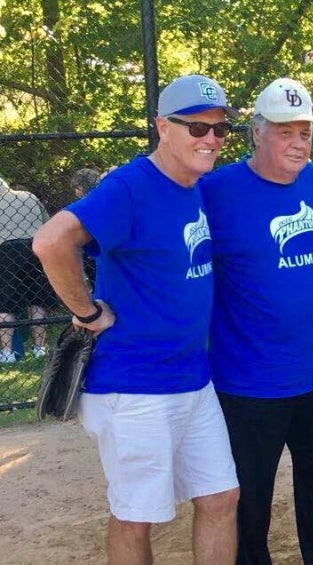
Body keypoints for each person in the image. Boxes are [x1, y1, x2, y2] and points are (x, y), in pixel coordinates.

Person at [32, 74, 241, 565]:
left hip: (191, 378)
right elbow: (50, 241)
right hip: (136, 384)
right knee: (136, 515)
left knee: (220, 498)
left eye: (219, 130)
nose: (210, 139)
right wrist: (86, 312)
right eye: (196, 128)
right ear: (162, 127)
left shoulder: (191, 185)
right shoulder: (130, 186)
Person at [198, 77, 313, 565]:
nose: (298, 143)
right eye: (286, 132)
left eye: (305, 132)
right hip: (247, 385)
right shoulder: (216, 190)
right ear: (256, 132)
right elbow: (156, 235)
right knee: (247, 509)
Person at [0, 178, 58, 362]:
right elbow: (46, 222)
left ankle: (8, 352)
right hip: (34, 248)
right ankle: (40, 348)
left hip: (6, 250)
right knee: (37, 300)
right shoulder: (29, 196)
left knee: (5, 303)